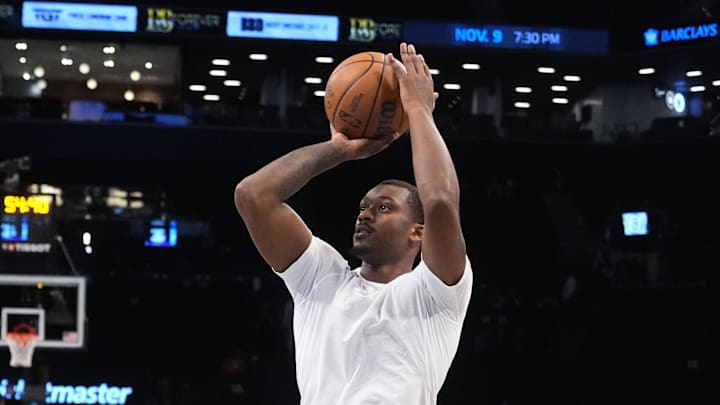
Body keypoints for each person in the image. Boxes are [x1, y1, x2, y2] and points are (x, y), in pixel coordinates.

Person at [234, 42, 473, 405]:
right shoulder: (321, 279)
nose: (364, 214)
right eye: (363, 206)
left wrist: (419, 110)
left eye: (383, 208)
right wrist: (340, 150)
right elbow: (253, 196)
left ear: (418, 232)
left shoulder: (435, 294)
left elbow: (439, 201)